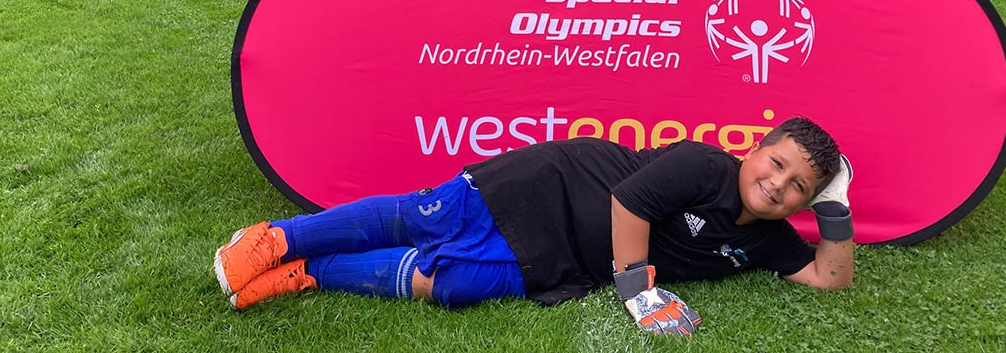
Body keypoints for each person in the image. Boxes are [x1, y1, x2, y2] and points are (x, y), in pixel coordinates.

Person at [213, 116, 855, 337]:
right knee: (424, 215)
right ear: (755, 147)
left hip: (566, 254)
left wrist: (838, 207)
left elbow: (830, 278)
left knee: (450, 285)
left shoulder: (767, 238)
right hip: (549, 184)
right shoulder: (702, 164)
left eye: (798, 186)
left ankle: (307, 274)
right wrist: (640, 293)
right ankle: (279, 237)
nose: (776, 185)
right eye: (776, 163)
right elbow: (629, 203)